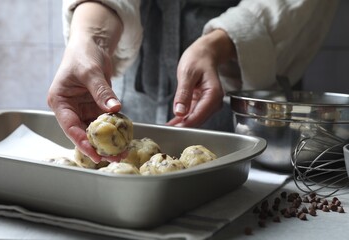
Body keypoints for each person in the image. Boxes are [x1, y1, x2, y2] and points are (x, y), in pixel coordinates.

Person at [48, 0, 338, 163]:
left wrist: (217, 45)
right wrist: (90, 40)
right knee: (123, 171)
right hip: (134, 79)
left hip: (245, 89)